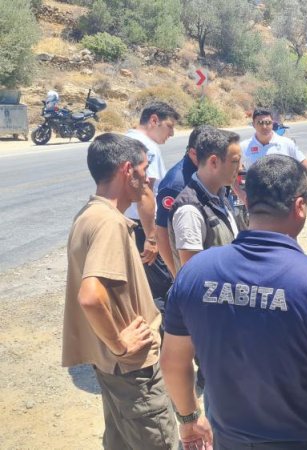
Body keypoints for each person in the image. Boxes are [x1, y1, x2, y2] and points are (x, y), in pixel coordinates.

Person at [160, 155, 307, 450]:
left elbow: (172, 362)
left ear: (247, 201)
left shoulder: (194, 272)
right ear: (300, 206)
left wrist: (189, 418)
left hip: (231, 440)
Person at [62, 133, 178, 449]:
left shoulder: (89, 214)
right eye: (144, 168)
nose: (149, 178)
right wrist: (119, 343)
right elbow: (90, 296)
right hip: (132, 368)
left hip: (112, 365)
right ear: (128, 170)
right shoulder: (109, 224)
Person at [124, 101, 180, 305]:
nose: (172, 133)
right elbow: (145, 193)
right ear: (154, 120)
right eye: (169, 126)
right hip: (144, 225)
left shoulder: (125, 140)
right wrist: (152, 238)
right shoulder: (148, 148)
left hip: (127, 223)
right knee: (161, 286)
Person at [168, 128, 243, 271]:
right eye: (235, 161)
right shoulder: (190, 211)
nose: (240, 168)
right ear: (214, 162)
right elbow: (193, 274)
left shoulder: (220, 196)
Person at [155, 126, 209, 278]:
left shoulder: (204, 172)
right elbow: (162, 233)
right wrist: (177, 274)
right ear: (192, 153)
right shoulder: (175, 185)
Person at [240, 108, 307, 174]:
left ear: (272, 124)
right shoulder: (244, 146)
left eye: (268, 122)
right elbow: (235, 169)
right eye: (260, 123)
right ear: (253, 124)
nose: (264, 126)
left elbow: (304, 165)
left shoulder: (287, 143)